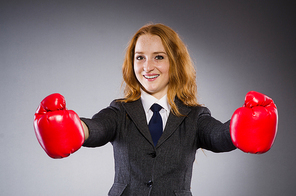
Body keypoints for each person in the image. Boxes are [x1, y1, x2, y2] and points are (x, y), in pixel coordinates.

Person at [33, 23, 278, 196]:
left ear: (175, 62)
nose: (147, 67)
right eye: (140, 57)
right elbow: (96, 128)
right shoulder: (120, 111)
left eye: (158, 57)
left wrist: (243, 129)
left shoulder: (194, 115)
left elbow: (218, 136)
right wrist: (74, 128)